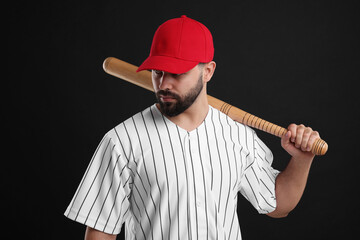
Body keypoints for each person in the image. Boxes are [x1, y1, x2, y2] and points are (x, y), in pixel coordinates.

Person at [64, 15, 321, 240]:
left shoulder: (238, 135)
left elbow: (278, 205)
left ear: (207, 71)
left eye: (176, 73)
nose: (163, 84)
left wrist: (301, 159)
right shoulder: (122, 140)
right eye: (157, 72)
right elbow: (100, 231)